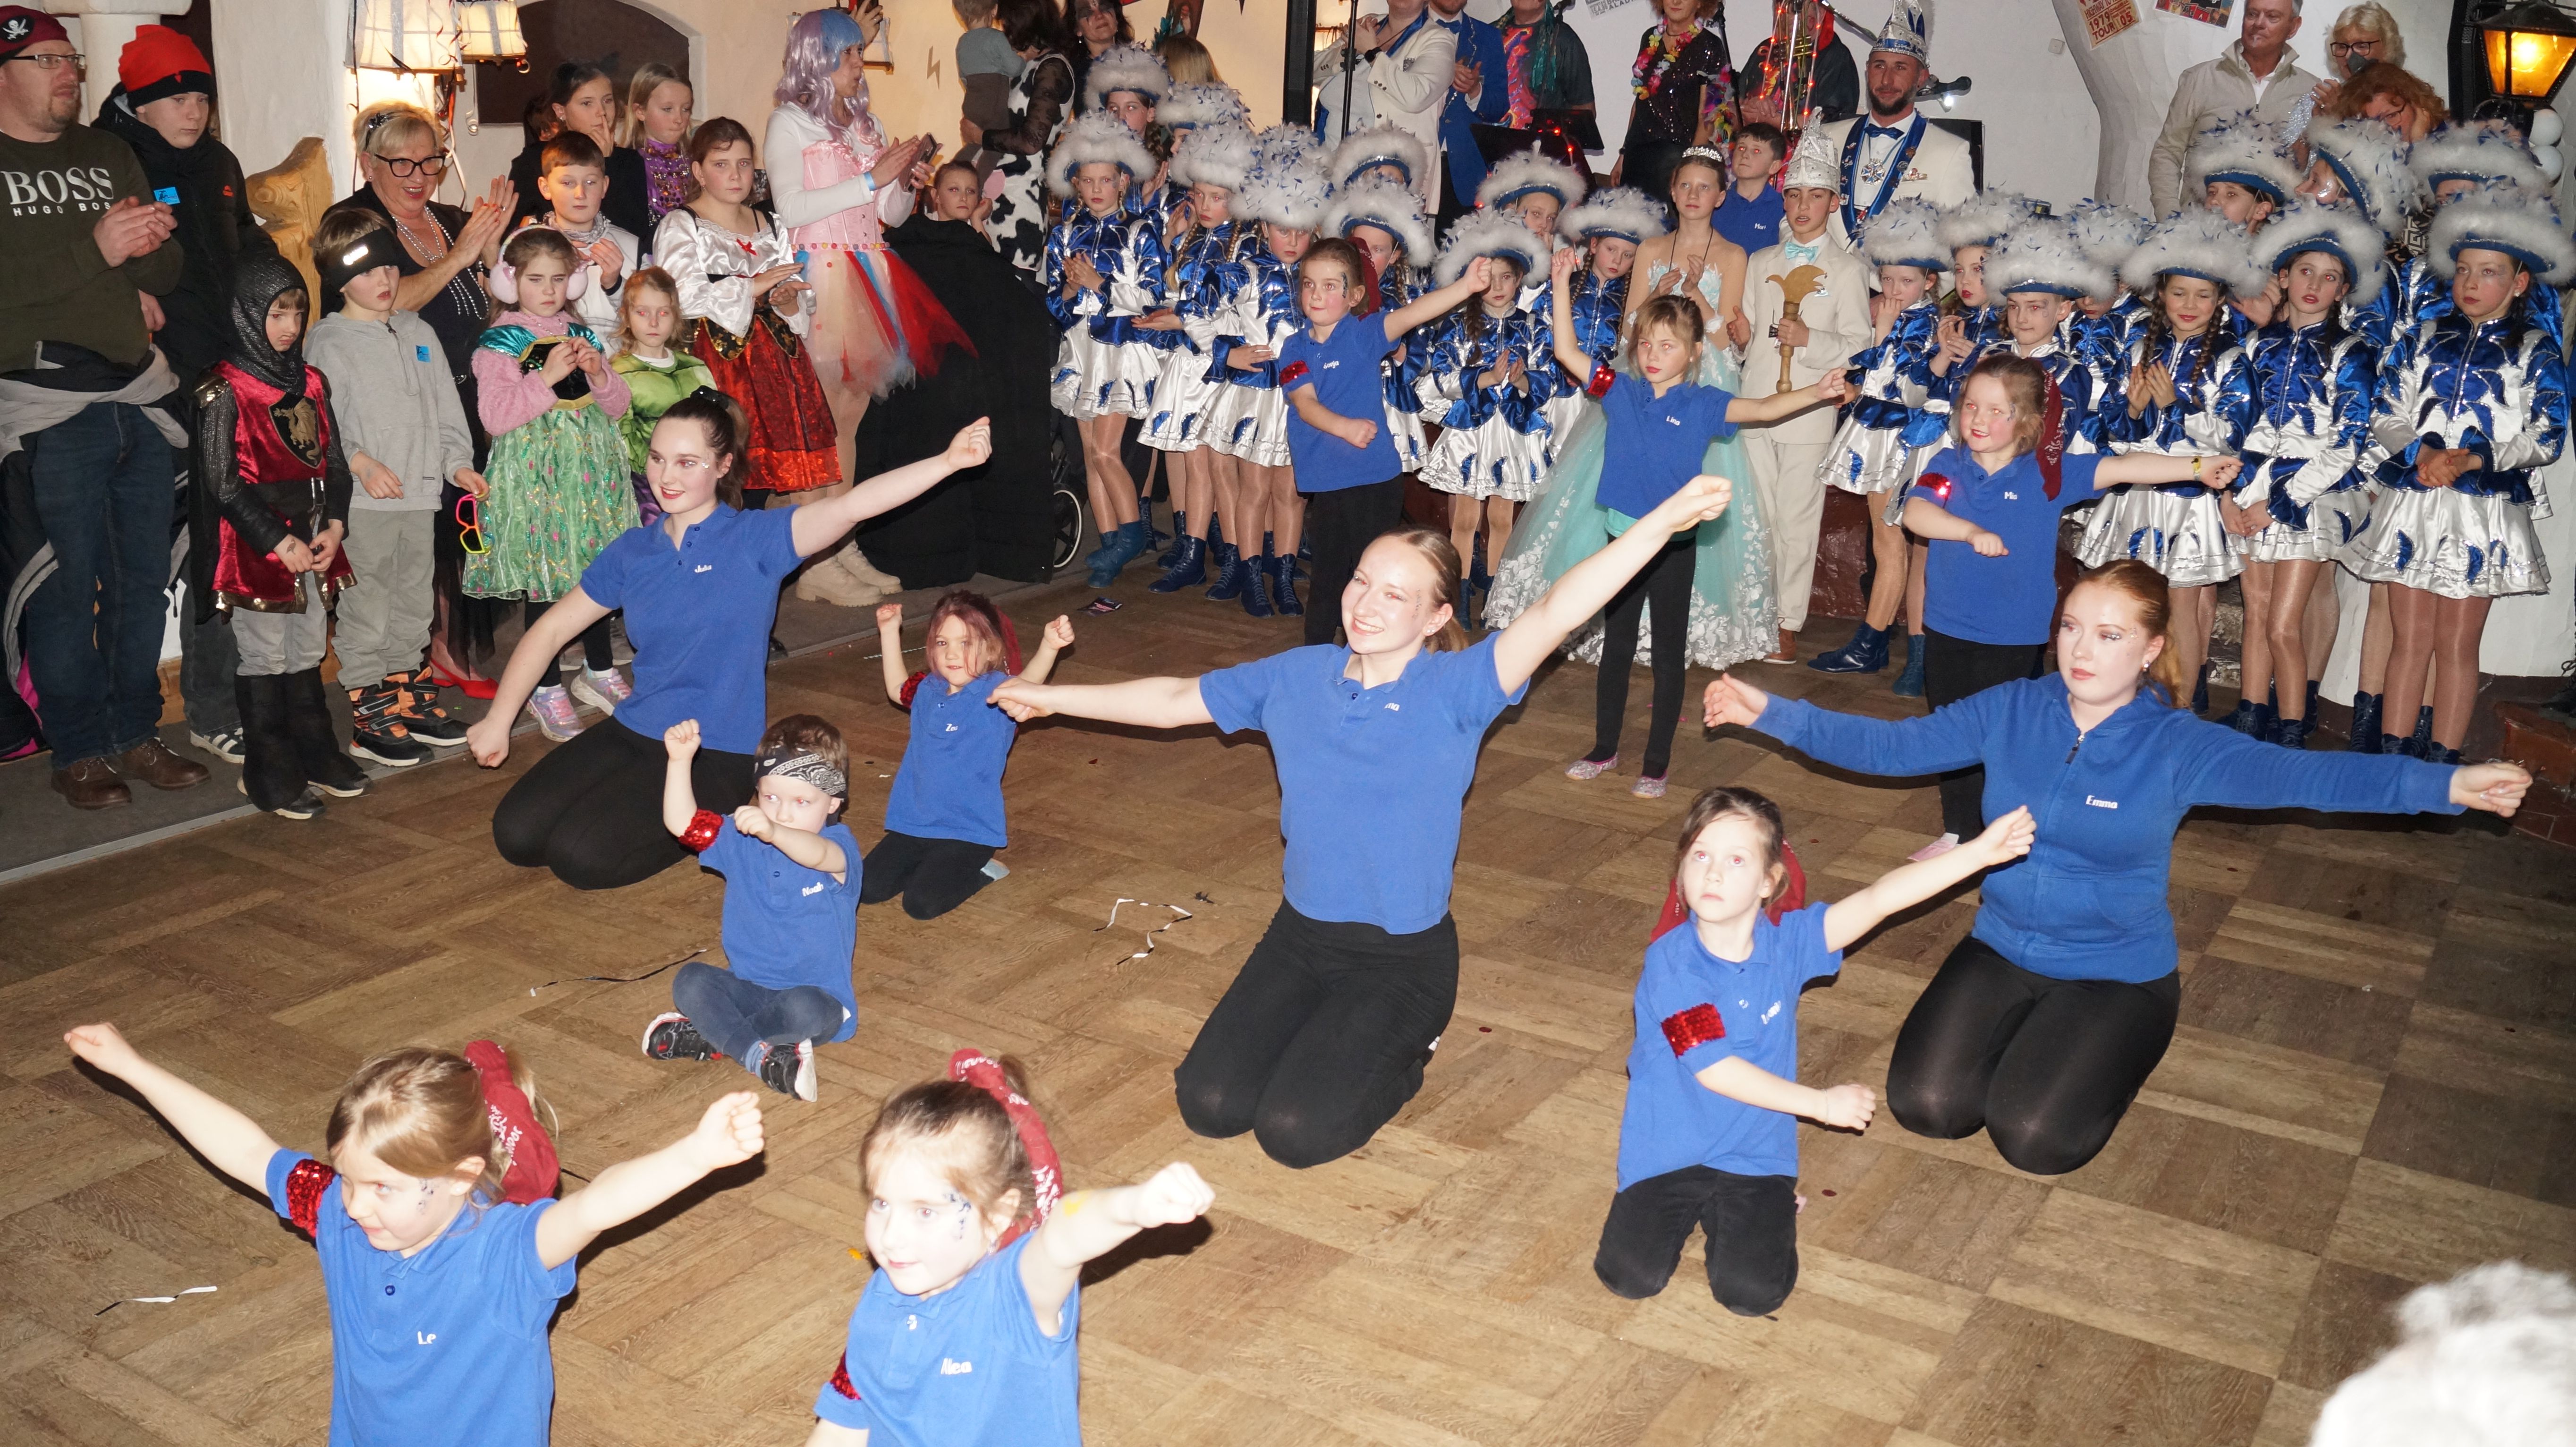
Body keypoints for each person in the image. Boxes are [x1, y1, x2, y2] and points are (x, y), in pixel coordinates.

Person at [991, 474, 1744, 1169]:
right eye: (1361, 580)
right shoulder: (1297, 677)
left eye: (1396, 594)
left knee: (1295, 1132)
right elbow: (1171, 700)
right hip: (1301, 935)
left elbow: (1557, 610)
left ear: (1437, 617)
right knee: (1210, 1105)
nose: (1366, 604)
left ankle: (1407, 1054)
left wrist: (1660, 524)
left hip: (1401, 960)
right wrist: (1052, 699)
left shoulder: (1457, 690)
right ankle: (1327, 1030)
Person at [1703, 559, 2533, 1175]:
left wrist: (2446, 784)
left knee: (2035, 1139)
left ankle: (2120, 1043)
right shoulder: (2015, 707)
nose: (2081, 650)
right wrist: (1769, 710)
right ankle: (2031, 1034)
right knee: (1929, 1107)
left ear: (2150, 650)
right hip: (2003, 946)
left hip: (2115, 971)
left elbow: (2308, 777)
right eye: (2071, 627)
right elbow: (1890, 747)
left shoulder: (2176, 745)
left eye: (2109, 635)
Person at [61, 1021, 765, 1447]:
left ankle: (507, 1114)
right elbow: (247, 1150)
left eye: (383, 1189)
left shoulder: (503, 1256)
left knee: (545, 1190)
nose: (356, 1206)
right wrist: (133, 1068)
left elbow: (596, 1207)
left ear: (461, 1178)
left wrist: (695, 1156)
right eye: (349, 1178)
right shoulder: (340, 1212)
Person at [471, 397, 990, 891]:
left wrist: (947, 462)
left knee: (580, 860)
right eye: (657, 459)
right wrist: (498, 720)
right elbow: (550, 630)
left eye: (687, 462)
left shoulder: (756, 540)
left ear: (722, 466)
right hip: (635, 727)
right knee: (516, 835)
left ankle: (709, 824)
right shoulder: (634, 550)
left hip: (717, 750)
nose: (666, 477)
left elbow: (853, 506)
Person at [1599, 787, 2029, 1313]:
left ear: (1769, 881)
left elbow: (1879, 899)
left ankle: (1770, 1206)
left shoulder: (1790, 942)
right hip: (1667, 1150)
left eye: (1736, 860)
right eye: (1700, 856)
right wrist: (1821, 1104)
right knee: (1629, 1277)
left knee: (1752, 1294)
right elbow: (1715, 1069)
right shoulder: (1672, 965)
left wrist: (1977, 854)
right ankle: (1724, 1211)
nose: (1712, 874)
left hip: (1756, 1153)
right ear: (1681, 870)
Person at [1892, 357, 2252, 856]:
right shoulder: (1946, 467)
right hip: (1946, 627)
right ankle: (1958, 830)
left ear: (2027, 421)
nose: (1978, 419)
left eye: (1996, 410)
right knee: (1949, 730)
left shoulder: (2048, 476)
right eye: (1971, 406)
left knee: (2002, 738)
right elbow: (1916, 513)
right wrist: (1969, 531)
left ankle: (2005, 829)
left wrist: (2196, 467)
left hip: (2010, 635)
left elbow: (2124, 467)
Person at [1545, 247, 1847, 796]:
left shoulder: (1705, 403)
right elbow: (1565, 350)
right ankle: (1603, 748)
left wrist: (1817, 392)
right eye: (1646, 344)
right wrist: (1561, 280)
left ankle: (1655, 763)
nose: (1653, 354)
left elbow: (1763, 409)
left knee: (1667, 653)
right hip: (1621, 540)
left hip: (1673, 546)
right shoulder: (1620, 391)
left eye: (1667, 346)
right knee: (1616, 648)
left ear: (1692, 353)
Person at [0, 7, 205, 810]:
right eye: (47, 59)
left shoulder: (107, 152)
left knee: (140, 583)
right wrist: (98, 252)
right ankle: (79, 749)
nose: (68, 72)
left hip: (138, 396)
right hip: (47, 408)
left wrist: (147, 248)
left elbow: (166, 272)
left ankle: (135, 731)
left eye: (71, 58)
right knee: (63, 590)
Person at [805, 1050, 1213, 1444]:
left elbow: (1063, 1236)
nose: (891, 1236)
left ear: (998, 1215)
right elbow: (842, 1429)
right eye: (881, 1203)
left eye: (925, 1212)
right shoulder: (881, 1303)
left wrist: (1133, 1206)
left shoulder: (1012, 1300)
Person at [87, 24, 274, 770]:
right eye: (175, 98)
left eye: (202, 97)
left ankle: (225, 701)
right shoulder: (109, 160)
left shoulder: (220, 161)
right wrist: (122, 294)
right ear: (139, 102)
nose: (193, 110)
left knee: (230, 540)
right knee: (166, 552)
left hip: (231, 374)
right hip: (152, 386)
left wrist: (284, 301)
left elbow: (248, 242)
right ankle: (165, 715)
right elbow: (82, 258)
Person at [2347, 186, 2569, 762]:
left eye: (2488, 272)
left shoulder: (2534, 351)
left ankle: (2442, 764)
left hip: (2482, 511)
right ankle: (2392, 760)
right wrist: (2421, 452)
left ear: (2518, 282)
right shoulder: (2421, 339)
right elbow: (2384, 408)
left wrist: (2472, 458)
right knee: (2409, 640)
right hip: (2415, 500)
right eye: (2463, 270)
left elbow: (2546, 434)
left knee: (2455, 645)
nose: (2470, 283)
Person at [769, 6, 960, 607]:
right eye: (849, 52)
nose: (859, 61)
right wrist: (873, 179)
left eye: (858, 51)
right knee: (822, 420)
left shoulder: (865, 123)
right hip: (821, 273)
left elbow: (888, 216)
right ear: (817, 58)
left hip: (869, 267)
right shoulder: (789, 123)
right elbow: (790, 208)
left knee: (848, 417)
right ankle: (814, 557)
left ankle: (839, 537)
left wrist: (902, 184)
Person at [338, 103, 515, 701]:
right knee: (428, 537)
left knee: (464, 528)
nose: (419, 176)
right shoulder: (357, 223)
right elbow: (390, 303)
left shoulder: (448, 218)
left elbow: (492, 301)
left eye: (430, 162)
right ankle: (427, 656)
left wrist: (492, 257)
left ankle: (440, 652)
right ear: (369, 163)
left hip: (469, 392)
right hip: (404, 406)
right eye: (402, 164)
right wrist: (461, 255)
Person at [188, 254, 372, 820]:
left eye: (297, 313)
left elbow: (333, 462)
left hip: (312, 534)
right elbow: (222, 482)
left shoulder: (311, 381)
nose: (290, 327)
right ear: (247, 315)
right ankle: (267, 769)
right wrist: (275, 540)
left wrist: (335, 524)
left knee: (308, 646)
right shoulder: (224, 389)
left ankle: (314, 750)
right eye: (276, 315)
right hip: (257, 544)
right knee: (265, 654)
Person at [304, 209, 484, 768]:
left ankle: (408, 696)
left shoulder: (418, 332)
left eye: (388, 266)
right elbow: (322, 425)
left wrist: (457, 463)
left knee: (413, 601)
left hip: (421, 494)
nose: (383, 280)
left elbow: (447, 409)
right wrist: (360, 462)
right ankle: (369, 713)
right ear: (338, 280)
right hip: (366, 504)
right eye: (365, 272)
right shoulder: (328, 343)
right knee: (368, 605)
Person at [2084, 207, 2264, 714]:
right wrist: (2134, 409)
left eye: (2203, 295)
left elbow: (2232, 436)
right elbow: (2113, 430)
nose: (2189, 305)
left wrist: (2175, 408)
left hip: (2190, 499)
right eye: (2179, 292)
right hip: (2139, 493)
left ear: (2220, 299)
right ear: (2160, 293)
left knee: (2182, 602)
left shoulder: (2231, 360)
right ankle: (2130, 693)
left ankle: (2181, 704)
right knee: (2135, 598)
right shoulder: (2140, 349)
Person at [1274, 239, 1493, 649]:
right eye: (1309, 284)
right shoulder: (1293, 348)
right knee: (1328, 577)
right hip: (1327, 484)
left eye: (1330, 286)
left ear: (1354, 295)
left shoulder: (1365, 334)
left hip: (1374, 481)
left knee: (1372, 573)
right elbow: (1305, 404)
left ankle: (1376, 649)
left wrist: (1465, 287)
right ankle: (1315, 658)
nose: (1317, 295)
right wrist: (1345, 428)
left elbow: (1414, 313)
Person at [654, 116, 846, 579]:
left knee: (779, 482)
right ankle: (712, 578)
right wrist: (751, 287)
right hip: (720, 366)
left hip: (777, 366)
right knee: (724, 478)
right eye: (722, 165)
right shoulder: (683, 225)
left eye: (744, 164)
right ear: (698, 171)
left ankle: (784, 576)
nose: (736, 175)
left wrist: (788, 299)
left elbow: (795, 291)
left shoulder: (769, 222)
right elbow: (679, 297)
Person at [468, 226, 636, 741]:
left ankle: (599, 670)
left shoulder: (582, 333)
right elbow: (495, 416)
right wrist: (544, 378)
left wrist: (600, 375)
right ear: (510, 281)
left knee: (597, 572)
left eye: (559, 279)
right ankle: (543, 686)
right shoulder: (501, 342)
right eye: (536, 279)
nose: (548, 290)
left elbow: (618, 407)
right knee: (548, 576)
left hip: (590, 477)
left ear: (574, 282)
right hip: (537, 482)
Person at [2225, 202, 2381, 749]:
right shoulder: (2254, 345)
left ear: (2342, 291)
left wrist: (2279, 502)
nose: (2314, 285)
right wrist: (2227, 494)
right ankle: (2249, 722)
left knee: (2281, 624)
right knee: (2255, 614)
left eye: (2329, 277)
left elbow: (2347, 442)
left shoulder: (2349, 352)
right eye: (2305, 271)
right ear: (2284, 277)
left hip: (2308, 497)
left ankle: (2290, 732)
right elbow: (2231, 424)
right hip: (2249, 487)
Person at [649, 713, 859, 1101]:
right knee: (690, 981)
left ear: (834, 801)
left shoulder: (839, 849)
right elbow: (684, 825)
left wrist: (776, 833)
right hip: (745, 987)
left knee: (806, 1011)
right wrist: (679, 762)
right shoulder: (743, 837)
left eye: (802, 802)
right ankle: (758, 1055)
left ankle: (714, 1035)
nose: (783, 813)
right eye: (771, 798)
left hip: (817, 998)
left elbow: (818, 855)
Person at [1738, 139, 1872, 664]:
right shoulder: (1760, 261)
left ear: (1833, 203)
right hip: (1756, 403)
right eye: (1794, 195)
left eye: (1815, 196)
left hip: (1810, 408)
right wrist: (1738, 335)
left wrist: (1810, 339)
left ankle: (1785, 620)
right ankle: (1751, 611)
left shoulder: (1848, 270)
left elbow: (1859, 344)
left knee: (1796, 518)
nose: (1802, 206)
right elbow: (1749, 335)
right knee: (1758, 515)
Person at [1808, 197, 1948, 680]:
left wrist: (1881, 332)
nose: (1893, 289)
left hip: (1897, 439)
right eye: (1886, 279)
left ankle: (1870, 644)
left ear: (1929, 281)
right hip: (1884, 432)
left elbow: (1904, 390)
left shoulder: (1922, 324)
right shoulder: (1908, 319)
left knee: (1889, 546)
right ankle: (1875, 640)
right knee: (1889, 545)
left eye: (1905, 281)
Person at [867, 593, 1071, 919]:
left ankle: (983, 871)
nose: (952, 654)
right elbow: (896, 689)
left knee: (921, 905)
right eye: (942, 642)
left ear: (990, 648)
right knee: (868, 889)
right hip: (915, 823)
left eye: (966, 643)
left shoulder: (995, 693)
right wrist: (890, 631)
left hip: (968, 830)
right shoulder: (928, 688)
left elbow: (1028, 685)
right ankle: (929, 866)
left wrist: (1049, 646)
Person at [1203, 142, 1329, 617]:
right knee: (1253, 490)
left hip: (1302, 397)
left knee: (1291, 494)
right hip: (1256, 396)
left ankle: (1284, 578)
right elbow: (1197, 316)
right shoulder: (1244, 274)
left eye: (1301, 230)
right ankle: (1251, 577)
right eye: (1281, 229)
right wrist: (1227, 351)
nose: (1291, 239)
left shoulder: (1322, 278)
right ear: (1262, 228)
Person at [1044, 111, 1163, 587]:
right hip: (1081, 353)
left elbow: (1152, 298)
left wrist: (1099, 283)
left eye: (1105, 180)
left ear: (1122, 181)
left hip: (1120, 351)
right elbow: (1057, 306)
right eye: (1088, 181)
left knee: (1108, 451)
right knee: (1091, 455)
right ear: (1076, 184)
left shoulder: (1140, 231)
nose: (1097, 189)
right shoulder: (1063, 234)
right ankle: (1110, 543)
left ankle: (1131, 534)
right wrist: (1071, 291)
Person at [1143, 122, 1259, 606]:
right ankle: (1192, 552)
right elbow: (1174, 292)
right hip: (1189, 361)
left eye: (1218, 197)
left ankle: (1235, 558)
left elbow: (1229, 312)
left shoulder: (1246, 245)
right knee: (1193, 462)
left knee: (1219, 467)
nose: (1206, 205)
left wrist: (1182, 320)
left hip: (1219, 363)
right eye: (1199, 195)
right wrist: (1171, 241)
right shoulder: (1194, 237)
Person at [1417, 214, 1553, 624]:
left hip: (1512, 433)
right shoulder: (1458, 325)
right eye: (1489, 278)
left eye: (1506, 277)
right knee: (1464, 518)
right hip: (1470, 433)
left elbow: (1548, 381)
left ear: (1520, 279)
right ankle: (1457, 600)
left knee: (1501, 517)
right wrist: (1485, 378)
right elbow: (1441, 377)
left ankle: (1497, 599)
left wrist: (1522, 379)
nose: (1498, 287)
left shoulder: (1534, 327)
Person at [1805, 0, 1974, 251]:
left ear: (1921, 78)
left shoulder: (1950, 152)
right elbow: (1793, 218)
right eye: (1880, 66)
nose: (1887, 80)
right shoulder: (1825, 138)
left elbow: (1962, 245)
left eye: (1900, 68)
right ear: (1868, 70)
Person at [1322, 170, 1441, 484]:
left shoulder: (1405, 299)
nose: (1368, 257)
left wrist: (1400, 354)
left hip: (1387, 407)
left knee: (1382, 486)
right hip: (1340, 403)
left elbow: (1425, 358)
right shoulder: (1332, 293)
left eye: (1378, 250)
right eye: (1360, 246)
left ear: (1395, 255)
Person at [2148, 0, 2319, 218]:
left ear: (2293, 27)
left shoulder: (2311, 91)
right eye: (2252, 14)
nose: (2259, 24)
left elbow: (2315, 175)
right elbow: (2167, 151)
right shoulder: (2200, 79)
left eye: (2272, 17)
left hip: (2275, 233)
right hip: (2198, 229)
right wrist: (2169, 219)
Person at [1542, 184, 1666, 450]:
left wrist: (1595, 384)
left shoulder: (1632, 303)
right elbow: (1540, 334)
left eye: (1628, 255)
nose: (1617, 261)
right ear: (1594, 245)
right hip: (1551, 395)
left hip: (1599, 405)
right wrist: (1560, 372)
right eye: (1611, 249)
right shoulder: (1564, 284)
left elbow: (1628, 360)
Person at [1313, 0, 1457, 212]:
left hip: (1388, 178)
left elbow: (1416, 97)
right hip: (1330, 167)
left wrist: (1371, 52)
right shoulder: (1367, 25)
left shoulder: (1438, 39)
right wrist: (1346, 49)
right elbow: (1311, 69)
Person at [974, 0, 1079, 280]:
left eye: (1008, 23)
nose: (1005, 31)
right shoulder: (1021, 65)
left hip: (1022, 198)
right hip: (993, 192)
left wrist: (982, 137)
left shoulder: (1053, 66)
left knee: (1012, 294)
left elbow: (1032, 140)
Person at [606, 267, 715, 528]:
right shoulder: (618, 372)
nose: (653, 323)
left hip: (698, 480)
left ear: (676, 317)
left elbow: (717, 424)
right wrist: (663, 469)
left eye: (663, 313)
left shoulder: (695, 367)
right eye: (642, 313)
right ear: (626, 316)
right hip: (648, 487)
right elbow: (621, 434)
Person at [527, 131, 640, 343]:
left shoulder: (632, 247)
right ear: (545, 187)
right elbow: (518, 320)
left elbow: (651, 324)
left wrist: (616, 286)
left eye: (590, 182)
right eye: (568, 183)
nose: (580, 194)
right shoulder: (529, 247)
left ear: (605, 186)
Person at [2279, 3, 2409, 146]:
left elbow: (2389, 156)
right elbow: (2290, 158)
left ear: (2387, 49)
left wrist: (2338, 118)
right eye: (2342, 47)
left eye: (2361, 46)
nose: (2349, 56)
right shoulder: (2315, 101)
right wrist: (2315, 126)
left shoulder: (2404, 103)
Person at [509, 63, 619, 231]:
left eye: (608, 101)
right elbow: (511, 227)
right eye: (587, 103)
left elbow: (629, 227)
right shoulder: (536, 159)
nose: (602, 111)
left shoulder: (632, 161)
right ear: (561, 111)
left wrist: (608, 162)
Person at [1429, 0, 1507, 231]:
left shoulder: (1488, 36)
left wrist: (1475, 90)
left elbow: (1499, 107)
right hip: (1414, 159)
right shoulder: (1405, 29)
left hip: (1462, 167)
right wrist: (1439, 72)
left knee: (1454, 248)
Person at [1737, 0, 1859, 130]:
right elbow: (1734, 105)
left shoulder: (1836, 57)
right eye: (1782, 12)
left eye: (1796, 11)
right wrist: (1749, 108)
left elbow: (1834, 121)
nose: (1789, 19)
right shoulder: (1766, 50)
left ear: (1821, 13)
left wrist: (1774, 121)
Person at [614, 60, 695, 236]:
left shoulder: (697, 161)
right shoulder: (625, 165)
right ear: (640, 111)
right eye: (668, 109)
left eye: (686, 109)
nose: (679, 119)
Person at [1495, 0, 1594, 132]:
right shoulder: (1488, 35)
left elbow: (1585, 111)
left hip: (1541, 142)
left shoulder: (1563, 39)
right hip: (1493, 140)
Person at [1710, 120, 1785, 257]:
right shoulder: (1716, 201)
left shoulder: (1782, 208)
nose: (1745, 155)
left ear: (1774, 166)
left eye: (1756, 151)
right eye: (1741, 148)